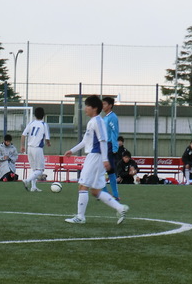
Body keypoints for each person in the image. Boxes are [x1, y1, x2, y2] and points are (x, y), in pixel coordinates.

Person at [64, 95, 129, 225]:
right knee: (95, 191)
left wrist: (105, 159)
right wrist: (72, 150)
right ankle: (120, 208)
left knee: (83, 186)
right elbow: (85, 141)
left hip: (95, 157)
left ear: (94, 108)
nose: (85, 109)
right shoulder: (93, 121)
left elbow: (103, 141)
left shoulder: (98, 121)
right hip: (96, 157)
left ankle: (80, 217)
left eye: (87, 106)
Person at [20, 107, 51, 192]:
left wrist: (22, 146)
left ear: (35, 115)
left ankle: (33, 187)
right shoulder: (44, 125)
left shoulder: (31, 123)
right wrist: (48, 143)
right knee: (40, 170)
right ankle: (27, 180)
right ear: (43, 115)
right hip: (37, 149)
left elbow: (23, 135)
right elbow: (47, 137)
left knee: (34, 169)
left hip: (29, 148)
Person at [102, 97, 120, 200]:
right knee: (101, 170)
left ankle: (115, 194)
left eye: (104, 104)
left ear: (110, 105)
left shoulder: (112, 117)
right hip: (103, 146)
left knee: (110, 170)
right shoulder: (105, 117)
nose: (103, 106)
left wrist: (114, 148)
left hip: (109, 146)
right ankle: (105, 193)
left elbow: (114, 132)